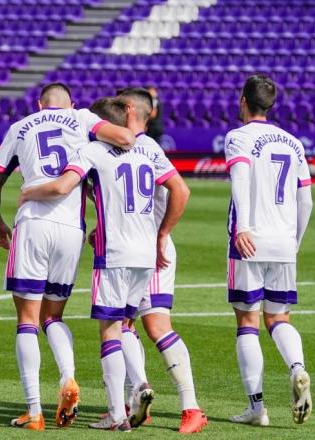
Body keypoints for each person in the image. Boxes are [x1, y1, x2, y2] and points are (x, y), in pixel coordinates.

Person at [20, 97, 189, 431]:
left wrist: (30, 192)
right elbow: (179, 188)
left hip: (113, 253)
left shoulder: (94, 152)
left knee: (109, 331)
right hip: (145, 254)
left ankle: (116, 415)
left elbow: (63, 185)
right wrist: (162, 234)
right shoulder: (148, 148)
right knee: (126, 324)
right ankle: (139, 383)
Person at [0, 83, 135, 431]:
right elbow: (126, 139)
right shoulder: (82, 118)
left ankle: (34, 410)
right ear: (72, 103)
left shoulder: (19, 127)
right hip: (71, 227)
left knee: (27, 320)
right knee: (53, 316)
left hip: (33, 222)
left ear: (39, 104)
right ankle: (68, 377)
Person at [114, 88, 207, 434]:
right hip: (131, 248)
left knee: (154, 326)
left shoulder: (145, 146)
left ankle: (191, 407)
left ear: (129, 110)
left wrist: (161, 234)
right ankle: (138, 398)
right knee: (124, 324)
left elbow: (181, 190)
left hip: (149, 252)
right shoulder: (126, 145)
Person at [224, 74, 313, 426]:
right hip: (283, 243)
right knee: (278, 318)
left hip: (250, 241)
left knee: (248, 322)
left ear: (244, 101)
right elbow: (306, 200)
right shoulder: (293, 142)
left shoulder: (239, 137)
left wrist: (243, 226)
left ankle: (256, 408)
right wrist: (295, 243)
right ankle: (297, 368)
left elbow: (241, 178)